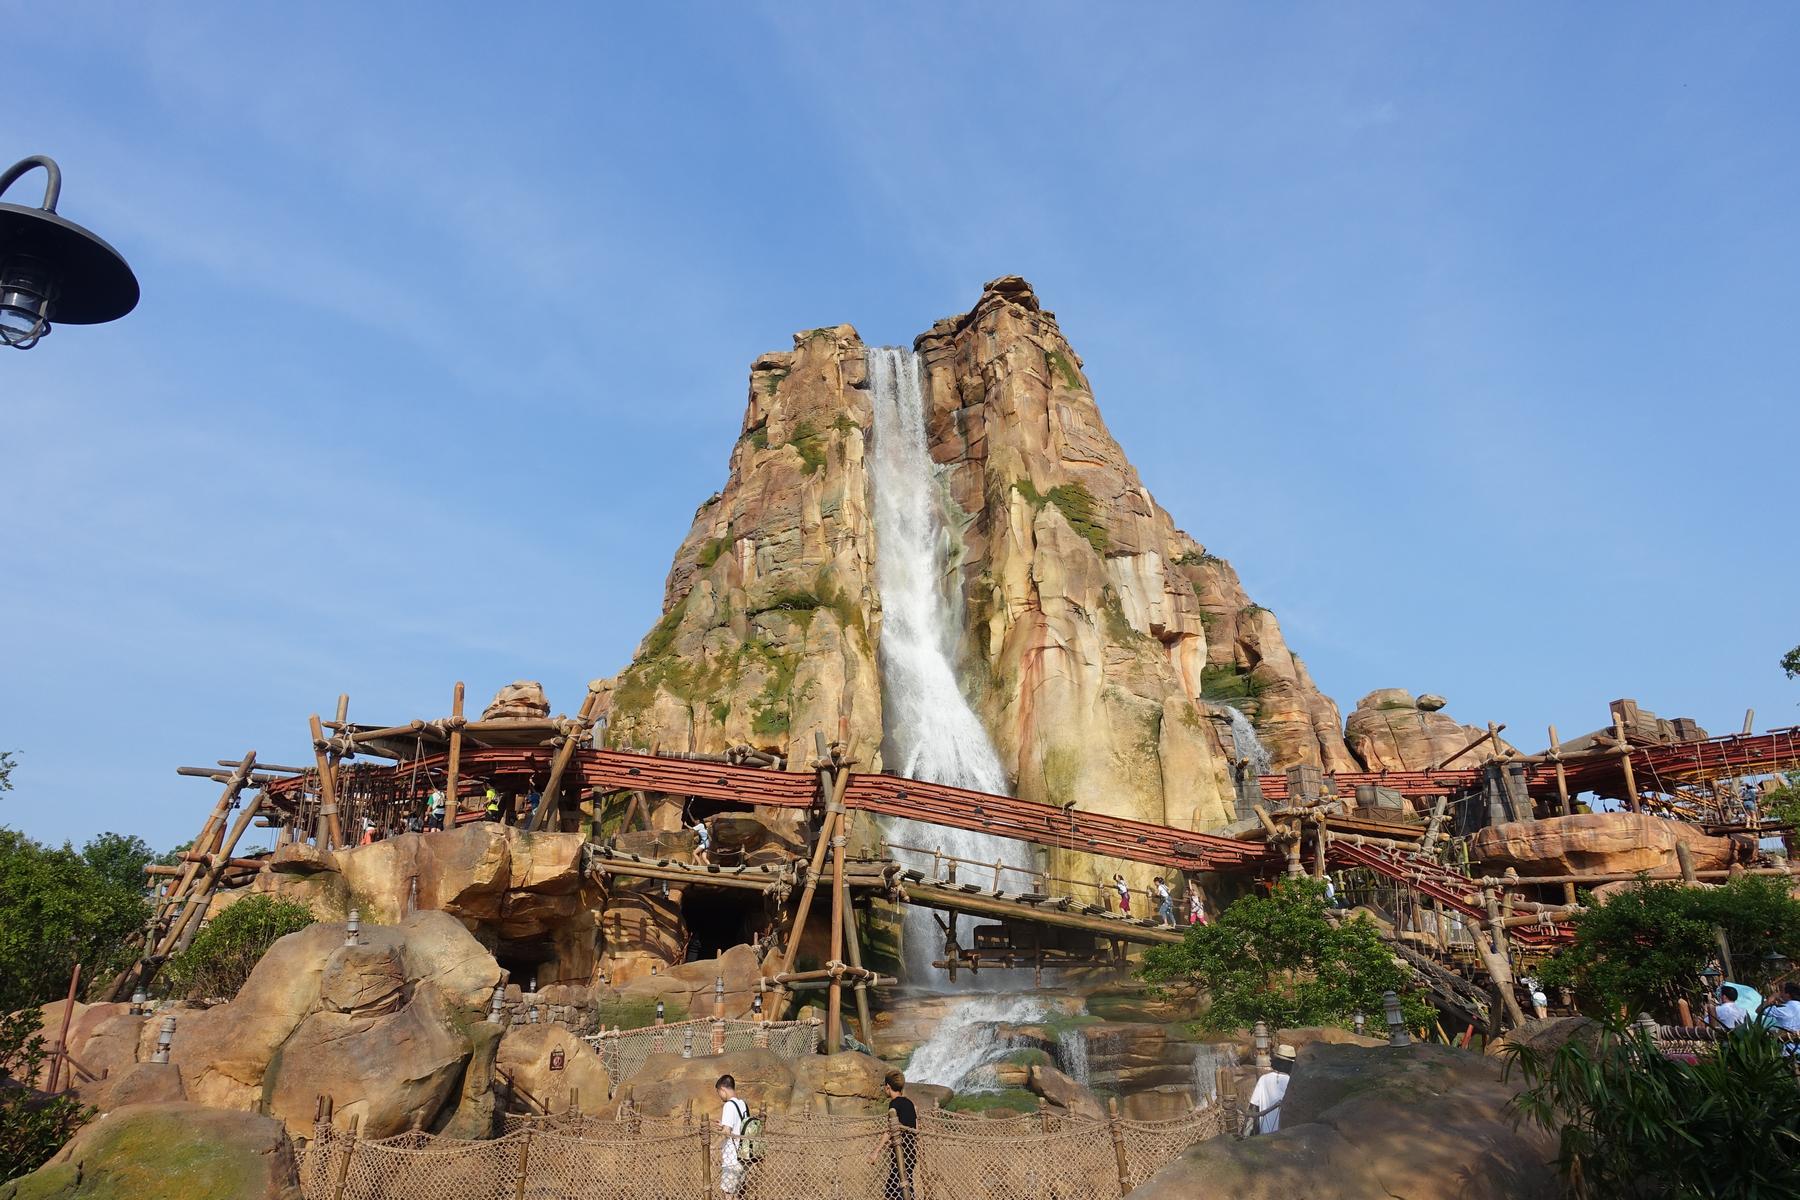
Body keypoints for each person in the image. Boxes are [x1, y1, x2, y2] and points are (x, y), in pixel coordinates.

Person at [866, 1070, 917, 1199]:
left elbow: (891, 1130)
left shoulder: (894, 1104)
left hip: (901, 1153)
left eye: (884, 1086)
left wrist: (876, 1151)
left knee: (893, 1192)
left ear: (888, 1086)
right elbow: (915, 1127)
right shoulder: (910, 1103)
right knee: (905, 1186)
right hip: (911, 1152)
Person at [1247, 1044, 1294, 1135]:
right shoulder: (1291, 1081)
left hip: (1265, 1134)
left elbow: (1253, 1105)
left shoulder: (1263, 1079)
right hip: (1285, 1134)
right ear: (1291, 1065)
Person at [716, 1074, 748, 1195]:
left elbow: (727, 1132)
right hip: (743, 1156)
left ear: (722, 1089)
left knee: (728, 1193)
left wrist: (714, 1145)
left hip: (732, 1158)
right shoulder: (742, 1103)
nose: (719, 1096)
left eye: (718, 1092)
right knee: (738, 1192)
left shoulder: (728, 1105)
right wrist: (724, 1124)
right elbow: (739, 1126)